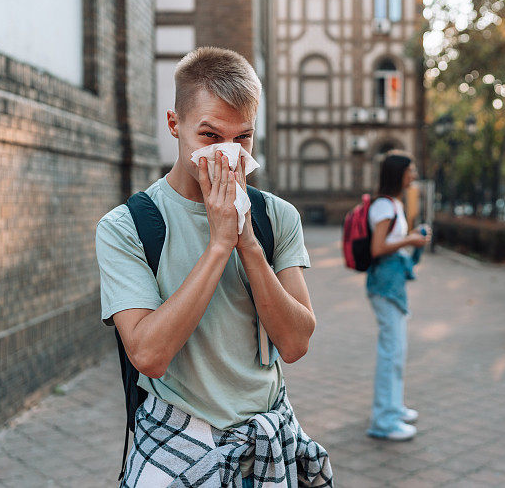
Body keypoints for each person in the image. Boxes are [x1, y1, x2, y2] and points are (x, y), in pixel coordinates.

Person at [95, 47, 333, 487]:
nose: (227, 153)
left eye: (242, 138)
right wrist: (218, 245)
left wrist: (247, 243)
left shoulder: (276, 216)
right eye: (209, 135)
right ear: (174, 125)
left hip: (267, 440)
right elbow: (148, 355)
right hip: (176, 439)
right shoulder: (127, 227)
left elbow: (297, 343)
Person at [365, 151, 431, 441]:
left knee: (397, 350)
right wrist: (412, 239)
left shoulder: (392, 204)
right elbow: (378, 248)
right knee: (392, 352)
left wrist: (409, 237)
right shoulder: (384, 206)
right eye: (411, 170)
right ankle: (383, 421)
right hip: (385, 285)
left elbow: (389, 242)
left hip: (392, 284)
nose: (414, 175)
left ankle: (393, 407)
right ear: (398, 174)